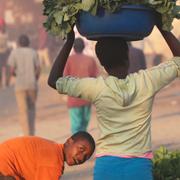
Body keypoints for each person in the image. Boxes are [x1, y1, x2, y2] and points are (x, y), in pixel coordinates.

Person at [47, 20, 180, 180]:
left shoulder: (96, 87)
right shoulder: (146, 81)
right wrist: (161, 25)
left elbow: (54, 80)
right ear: (127, 57)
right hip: (139, 167)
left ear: (102, 63)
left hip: (106, 167)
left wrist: (69, 41)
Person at [0, 131, 95, 180]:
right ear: (69, 141)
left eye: (86, 157)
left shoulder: (54, 150)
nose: (81, 158)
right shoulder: (54, 163)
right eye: (81, 149)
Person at [63, 37, 99, 134]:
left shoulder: (69, 60)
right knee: (84, 125)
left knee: (76, 126)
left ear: (73, 48)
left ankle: (77, 146)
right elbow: (95, 78)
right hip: (87, 97)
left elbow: (65, 78)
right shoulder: (90, 60)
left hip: (73, 97)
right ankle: (84, 145)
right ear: (84, 47)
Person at [8, 34, 41, 136]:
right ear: (28, 43)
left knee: (23, 110)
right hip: (32, 85)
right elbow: (38, 69)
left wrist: (16, 75)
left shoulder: (14, 53)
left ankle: (26, 133)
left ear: (18, 43)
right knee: (31, 109)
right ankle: (31, 132)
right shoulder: (33, 52)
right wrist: (34, 78)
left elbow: (12, 70)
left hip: (20, 86)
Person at [0, 18, 10, 89]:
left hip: (5, 52)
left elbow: (7, 43)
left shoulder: (6, 32)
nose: (3, 27)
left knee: (7, 68)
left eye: (3, 25)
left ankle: (7, 83)